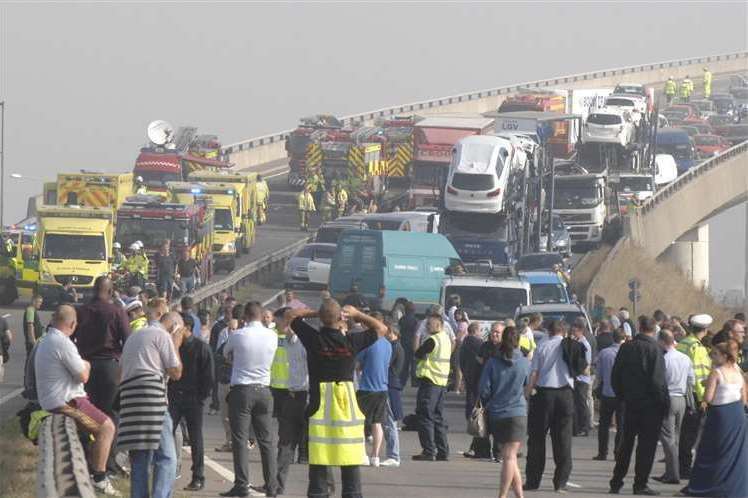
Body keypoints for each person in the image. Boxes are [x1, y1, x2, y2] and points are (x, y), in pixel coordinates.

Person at [286, 300, 387, 498]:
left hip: (318, 410)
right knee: (350, 466)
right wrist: (357, 314)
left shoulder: (314, 339)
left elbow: (291, 315)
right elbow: (381, 328)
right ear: (341, 318)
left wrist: (319, 312)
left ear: (322, 319)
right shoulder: (351, 342)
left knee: (319, 466)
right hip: (346, 412)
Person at [35, 305, 120, 495]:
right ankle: (99, 477)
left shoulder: (46, 340)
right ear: (72, 324)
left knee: (96, 432)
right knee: (107, 428)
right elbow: (83, 376)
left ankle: (93, 468)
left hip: (52, 400)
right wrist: (87, 364)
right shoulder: (63, 343)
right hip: (68, 401)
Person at [118, 310, 183, 498]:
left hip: (129, 397)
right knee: (167, 456)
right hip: (151, 397)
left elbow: (119, 373)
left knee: (140, 456)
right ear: (174, 327)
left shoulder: (135, 336)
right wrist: (176, 344)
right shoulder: (163, 335)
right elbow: (176, 372)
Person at [220, 302, 279, 498]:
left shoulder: (238, 335)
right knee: (266, 441)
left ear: (245, 316)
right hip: (264, 390)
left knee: (240, 439)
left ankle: (242, 484)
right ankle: (272, 485)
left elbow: (224, 353)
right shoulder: (272, 335)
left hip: (242, 389)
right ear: (262, 316)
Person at [609, 317, 669, 495]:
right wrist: (663, 404)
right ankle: (640, 484)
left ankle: (616, 481)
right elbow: (658, 381)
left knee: (625, 445)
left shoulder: (626, 347)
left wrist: (622, 397)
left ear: (640, 328)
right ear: (654, 330)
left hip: (630, 403)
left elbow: (616, 375)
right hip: (650, 406)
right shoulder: (655, 350)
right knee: (646, 447)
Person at [683, 340, 748, 497]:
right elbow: (744, 398)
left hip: (720, 415)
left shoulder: (716, 372)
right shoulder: (738, 373)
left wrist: (706, 384)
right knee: (734, 452)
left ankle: (706, 485)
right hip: (737, 414)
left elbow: (709, 397)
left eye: (715, 355)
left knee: (711, 450)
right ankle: (734, 486)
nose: (712, 358)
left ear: (724, 356)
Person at [479, 326, 530, 498]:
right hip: (518, 412)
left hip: (498, 413)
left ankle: (505, 495)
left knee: (509, 457)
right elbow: (527, 384)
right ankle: (511, 495)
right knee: (511, 456)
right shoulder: (524, 362)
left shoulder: (492, 362)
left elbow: (483, 390)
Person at [524, 320, 575, 492]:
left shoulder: (542, 346)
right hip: (565, 393)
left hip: (544, 394)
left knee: (537, 438)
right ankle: (560, 481)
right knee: (563, 439)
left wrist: (528, 394)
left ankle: (533, 480)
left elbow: (535, 373)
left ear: (549, 331)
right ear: (564, 331)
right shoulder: (570, 346)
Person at [73, 277, 130, 425]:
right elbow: (128, 340)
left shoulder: (81, 311)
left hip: (84, 366)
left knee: (87, 411)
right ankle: (109, 447)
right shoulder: (117, 311)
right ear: (111, 291)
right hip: (110, 366)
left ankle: (88, 446)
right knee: (110, 412)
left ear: (93, 290)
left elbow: (70, 337)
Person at [168, 311, 214, 491]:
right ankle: (166, 470)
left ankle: (198, 476)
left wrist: (201, 397)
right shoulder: (173, 345)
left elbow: (209, 376)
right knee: (165, 433)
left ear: (186, 328)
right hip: (173, 396)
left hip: (193, 398)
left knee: (196, 438)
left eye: (176, 327)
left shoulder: (201, 347)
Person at [274, 307, 310, 493]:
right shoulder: (286, 342)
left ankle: (326, 487)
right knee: (285, 442)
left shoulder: (304, 342)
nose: (275, 325)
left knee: (314, 444)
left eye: (277, 322)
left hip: (306, 397)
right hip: (291, 396)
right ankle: (276, 485)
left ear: (286, 321)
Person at [654, 328, 695, 486]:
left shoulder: (665, 359)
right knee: (676, 437)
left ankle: (672, 473)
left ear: (663, 341)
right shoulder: (685, 358)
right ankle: (671, 471)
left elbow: (660, 381)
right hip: (682, 399)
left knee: (667, 438)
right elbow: (691, 379)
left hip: (668, 398)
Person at [676, 314, 712, 479]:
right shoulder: (697, 348)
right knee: (690, 435)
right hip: (695, 396)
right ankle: (685, 469)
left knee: (684, 433)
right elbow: (700, 375)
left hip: (682, 393)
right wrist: (704, 399)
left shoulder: (682, 343)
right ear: (705, 330)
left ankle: (682, 466)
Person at [413, 315, 451, 461]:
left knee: (425, 416)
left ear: (439, 325)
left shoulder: (432, 340)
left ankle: (428, 451)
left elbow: (418, 353)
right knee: (437, 417)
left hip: (430, 381)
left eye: (430, 324)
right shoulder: (446, 339)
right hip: (441, 383)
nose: (427, 327)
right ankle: (443, 451)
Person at [356, 325, 392, 467]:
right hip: (382, 388)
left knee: (359, 423)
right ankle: (375, 456)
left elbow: (358, 365)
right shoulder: (388, 345)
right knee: (377, 423)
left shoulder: (368, 344)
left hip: (366, 388)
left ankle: (363, 454)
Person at [593, 329, 625, 461]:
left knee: (604, 424)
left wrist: (596, 387)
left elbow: (599, 374)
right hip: (622, 393)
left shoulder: (604, 353)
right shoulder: (626, 353)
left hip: (607, 392)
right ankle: (618, 452)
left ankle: (602, 452)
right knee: (621, 424)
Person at [214, 304, 243, 453]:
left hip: (239, 383)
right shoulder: (225, 339)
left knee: (239, 416)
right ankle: (229, 441)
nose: (232, 332)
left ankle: (240, 442)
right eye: (230, 329)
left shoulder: (245, 342)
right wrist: (226, 360)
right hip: (225, 380)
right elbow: (217, 355)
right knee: (225, 416)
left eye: (235, 329)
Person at [459, 322, 490, 459]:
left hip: (470, 380)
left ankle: (476, 447)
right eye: (481, 330)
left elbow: (460, 362)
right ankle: (479, 448)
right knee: (479, 415)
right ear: (476, 331)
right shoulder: (479, 344)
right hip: (478, 382)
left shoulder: (464, 344)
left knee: (475, 414)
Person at [382, 321, 404, 467]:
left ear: (393, 333)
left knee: (390, 422)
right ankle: (392, 454)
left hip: (391, 385)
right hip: (392, 385)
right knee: (388, 421)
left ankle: (393, 455)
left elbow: (386, 364)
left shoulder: (394, 347)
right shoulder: (396, 346)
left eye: (387, 332)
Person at [571, 320, 592, 437]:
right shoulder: (577, 342)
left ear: (581, 331)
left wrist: (580, 373)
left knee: (582, 403)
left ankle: (585, 426)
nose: (573, 333)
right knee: (577, 403)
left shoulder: (585, 345)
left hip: (582, 378)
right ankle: (578, 425)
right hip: (576, 377)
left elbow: (586, 363)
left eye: (575, 331)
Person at [398, 301, 419, 387]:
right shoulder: (415, 320)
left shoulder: (402, 319)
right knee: (414, 363)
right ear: (413, 310)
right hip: (413, 343)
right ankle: (414, 382)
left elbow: (400, 330)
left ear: (406, 310)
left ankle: (402, 381)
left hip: (404, 342)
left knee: (405, 363)